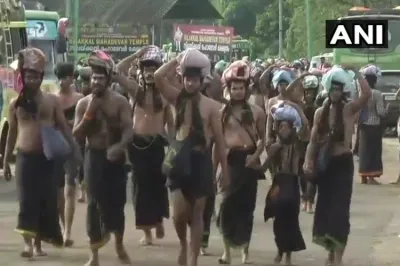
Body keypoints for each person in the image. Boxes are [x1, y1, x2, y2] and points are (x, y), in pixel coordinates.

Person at [154, 48, 230, 266]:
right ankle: (182, 244)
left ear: (201, 81)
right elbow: (158, 77)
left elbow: (220, 141)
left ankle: (193, 259)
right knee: (179, 214)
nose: (190, 84)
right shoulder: (176, 99)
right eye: (187, 79)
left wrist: (224, 172)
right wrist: (176, 60)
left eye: (194, 80)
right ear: (182, 79)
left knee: (197, 215)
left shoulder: (212, 107)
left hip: (200, 162)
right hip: (178, 160)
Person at [3, 48, 78, 258]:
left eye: (36, 75)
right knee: (26, 201)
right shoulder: (15, 104)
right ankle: (27, 245)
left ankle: (38, 245)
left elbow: (63, 127)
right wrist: (5, 161)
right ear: (23, 77)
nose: (32, 79)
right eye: (28, 75)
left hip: (47, 159)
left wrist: (75, 152)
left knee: (46, 201)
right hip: (24, 158)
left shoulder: (51, 101)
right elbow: (11, 133)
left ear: (41, 77)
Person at [303, 66, 371, 266]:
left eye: (338, 89)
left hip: (343, 165)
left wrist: (356, 72)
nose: (335, 92)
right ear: (327, 89)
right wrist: (308, 161)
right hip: (325, 166)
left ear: (343, 90)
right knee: (325, 210)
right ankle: (331, 253)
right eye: (332, 89)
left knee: (340, 212)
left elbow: (366, 94)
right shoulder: (319, 113)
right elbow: (313, 141)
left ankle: (338, 259)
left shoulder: (349, 109)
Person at [73, 50, 133, 266]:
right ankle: (94, 254)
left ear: (108, 80)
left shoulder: (120, 102)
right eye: (93, 77)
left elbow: (129, 130)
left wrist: (120, 147)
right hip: (94, 157)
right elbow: (77, 135)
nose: (96, 81)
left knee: (116, 203)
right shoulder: (83, 103)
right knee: (93, 204)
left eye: (100, 77)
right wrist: (90, 112)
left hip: (115, 159)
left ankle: (119, 244)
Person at [115, 46, 173, 245]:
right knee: (141, 189)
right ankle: (147, 232)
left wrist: (173, 154)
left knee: (158, 186)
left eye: (153, 69)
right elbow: (116, 71)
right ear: (141, 71)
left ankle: (158, 222)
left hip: (157, 146)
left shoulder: (165, 97)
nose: (149, 73)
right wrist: (137, 54)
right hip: (137, 146)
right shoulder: (135, 91)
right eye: (146, 69)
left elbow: (172, 129)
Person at [216, 60, 266, 264]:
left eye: (241, 88)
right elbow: (217, 144)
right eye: (234, 88)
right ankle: (226, 252)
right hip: (230, 162)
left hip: (250, 162)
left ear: (246, 89)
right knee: (226, 206)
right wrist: (216, 170)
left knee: (247, 208)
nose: (237, 92)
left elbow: (264, 139)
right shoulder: (222, 113)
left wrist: (255, 157)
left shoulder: (257, 112)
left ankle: (245, 252)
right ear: (228, 89)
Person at [264, 100, 308, 265]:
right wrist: (271, 114)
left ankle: (288, 255)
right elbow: (266, 164)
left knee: (291, 220)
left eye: (286, 127)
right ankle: (280, 251)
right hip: (278, 183)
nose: (283, 130)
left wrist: (295, 106)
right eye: (280, 127)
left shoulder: (297, 143)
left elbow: (304, 124)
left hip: (292, 183)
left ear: (291, 128)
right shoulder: (274, 145)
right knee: (278, 221)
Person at [54, 62, 84, 246]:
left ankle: (68, 232)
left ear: (72, 79)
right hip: (56, 149)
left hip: (73, 147)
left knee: (69, 189)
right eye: (61, 77)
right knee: (59, 192)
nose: (64, 81)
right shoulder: (52, 99)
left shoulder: (79, 98)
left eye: (67, 77)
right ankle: (64, 226)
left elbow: (83, 125)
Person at [358, 65, 386, 185]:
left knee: (364, 151)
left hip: (363, 124)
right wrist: (386, 112)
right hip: (374, 125)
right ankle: (371, 177)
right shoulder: (377, 94)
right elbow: (380, 112)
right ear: (374, 80)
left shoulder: (362, 93)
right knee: (374, 151)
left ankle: (363, 176)